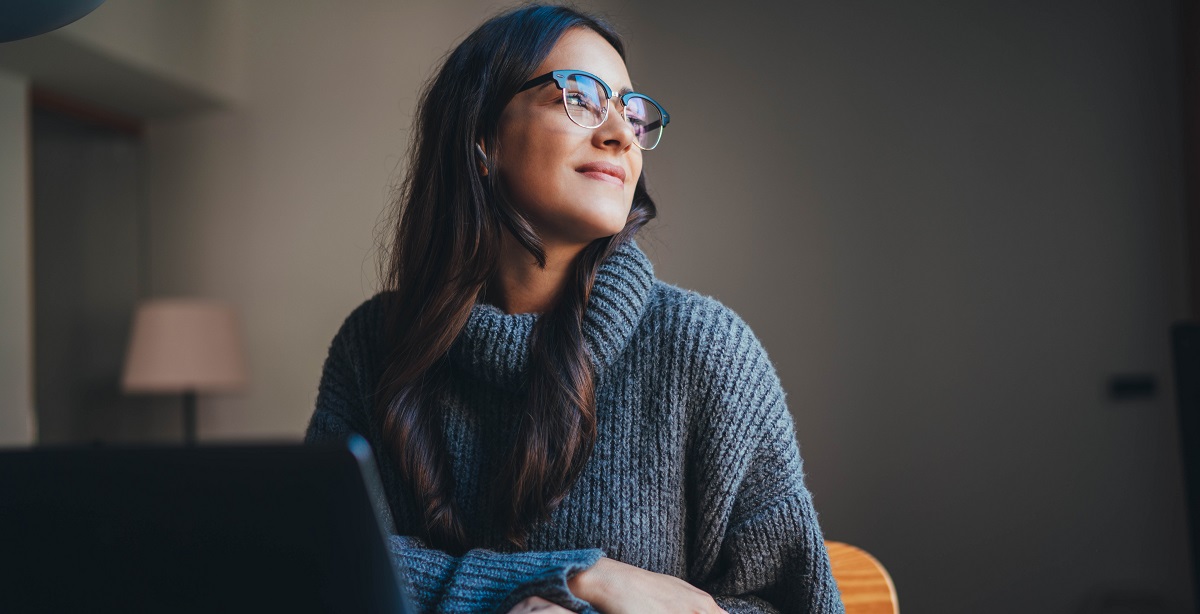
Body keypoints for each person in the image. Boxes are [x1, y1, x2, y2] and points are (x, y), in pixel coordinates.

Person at [305, 5, 844, 613]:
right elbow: (315, 563)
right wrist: (586, 578)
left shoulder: (704, 349)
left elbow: (794, 603)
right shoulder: (373, 344)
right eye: (581, 98)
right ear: (482, 136)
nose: (618, 133)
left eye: (630, 113)